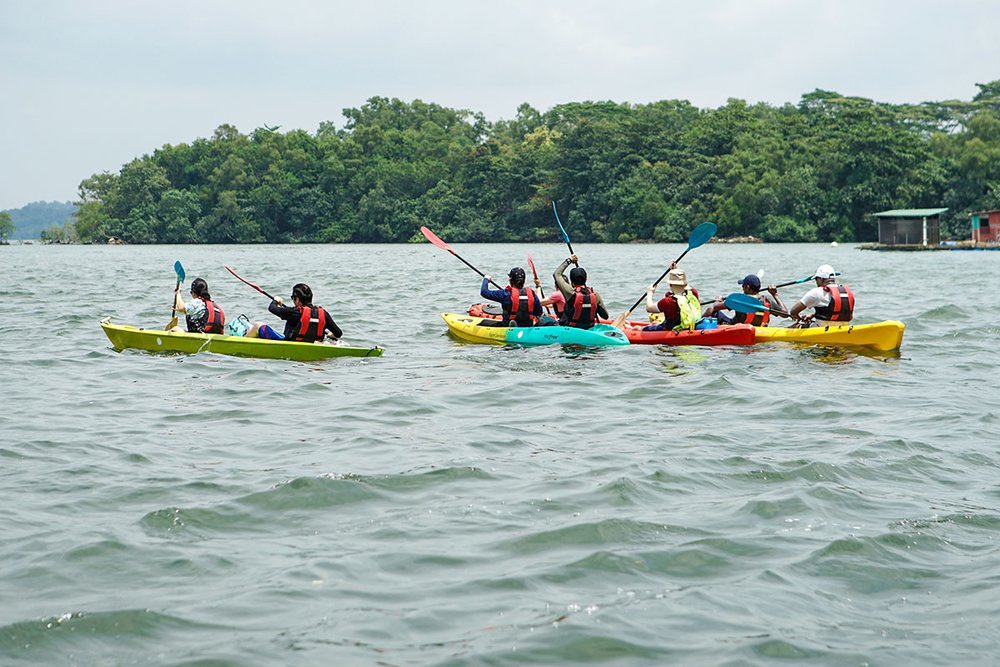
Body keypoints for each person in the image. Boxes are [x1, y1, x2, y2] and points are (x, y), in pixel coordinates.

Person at [251, 283, 342, 342]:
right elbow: (338, 333)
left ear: (297, 299)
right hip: (312, 344)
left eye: (293, 298)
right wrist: (331, 334)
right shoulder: (323, 313)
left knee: (259, 325)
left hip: (289, 344)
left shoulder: (294, 312)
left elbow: (272, 308)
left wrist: (276, 300)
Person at [705, 273, 788, 326]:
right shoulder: (767, 300)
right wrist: (775, 294)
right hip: (760, 329)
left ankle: (698, 327)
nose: (742, 288)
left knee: (715, 312)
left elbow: (711, 308)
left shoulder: (739, 299)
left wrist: (718, 301)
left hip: (737, 328)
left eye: (743, 286)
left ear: (747, 287)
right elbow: (785, 314)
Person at [788, 264, 854, 327]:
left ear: (821, 279)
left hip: (823, 329)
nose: (816, 282)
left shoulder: (816, 292)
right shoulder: (845, 292)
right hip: (844, 328)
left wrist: (798, 317)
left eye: (816, 279)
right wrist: (813, 315)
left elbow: (793, 312)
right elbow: (837, 312)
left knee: (795, 326)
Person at [553, 254, 609, 328]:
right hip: (588, 328)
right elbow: (605, 316)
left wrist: (569, 260)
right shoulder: (595, 294)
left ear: (572, 281)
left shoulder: (570, 292)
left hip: (571, 328)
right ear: (586, 279)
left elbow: (556, 274)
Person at [641, 263, 701, 331]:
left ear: (670, 285)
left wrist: (649, 293)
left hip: (673, 330)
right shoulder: (693, 293)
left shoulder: (668, 301)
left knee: (641, 328)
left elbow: (649, 308)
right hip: (692, 326)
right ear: (685, 284)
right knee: (656, 323)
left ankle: (637, 329)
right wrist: (675, 270)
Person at [478, 267, 543, 327]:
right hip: (527, 326)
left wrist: (486, 279)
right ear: (524, 280)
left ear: (511, 281)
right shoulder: (532, 294)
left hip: (507, 326)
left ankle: (513, 326)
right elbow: (539, 312)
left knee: (483, 322)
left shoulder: (505, 294)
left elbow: (484, 292)